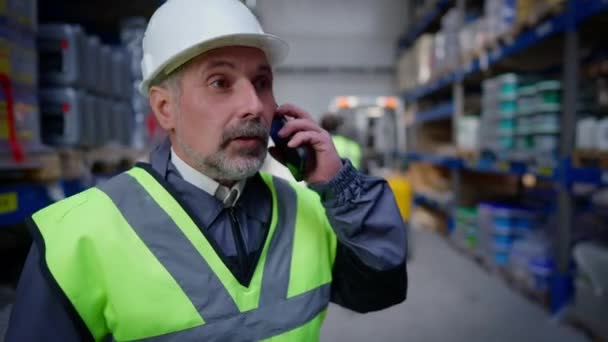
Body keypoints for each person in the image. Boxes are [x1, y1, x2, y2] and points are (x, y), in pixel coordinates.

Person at [6, 0, 407, 341]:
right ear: (165, 108)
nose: (253, 104)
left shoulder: (313, 211)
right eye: (220, 82)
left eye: (262, 82)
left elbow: (381, 291)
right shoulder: (76, 239)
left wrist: (341, 187)